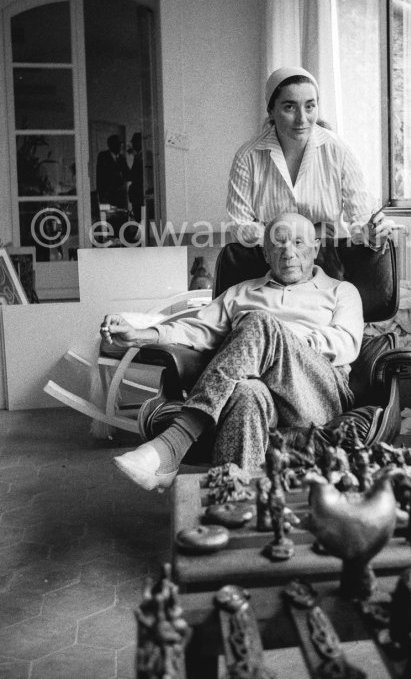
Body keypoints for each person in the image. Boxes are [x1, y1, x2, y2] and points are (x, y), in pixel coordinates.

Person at [100, 212, 364, 490]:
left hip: (318, 395)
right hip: (262, 395)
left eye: (299, 243)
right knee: (246, 392)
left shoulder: (341, 291)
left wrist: (280, 342)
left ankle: (173, 443)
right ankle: (235, 497)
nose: (289, 252)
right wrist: (140, 335)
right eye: (279, 244)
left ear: (316, 247)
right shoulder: (239, 293)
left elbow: (346, 342)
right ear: (265, 253)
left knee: (259, 323)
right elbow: (196, 330)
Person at [226, 66, 393, 247]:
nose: (302, 119)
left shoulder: (339, 151)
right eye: (289, 107)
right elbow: (239, 228)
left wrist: (372, 233)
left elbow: (361, 219)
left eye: (310, 106)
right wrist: (306, 231)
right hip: (270, 261)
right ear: (271, 110)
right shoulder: (247, 157)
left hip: (330, 260)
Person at [96, 134, 130, 209]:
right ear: (110, 145)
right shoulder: (103, 156)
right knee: (108, 218)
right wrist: (101, 196)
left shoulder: (122, 158)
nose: (121, 146)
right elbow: (100, 176)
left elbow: (128, 175)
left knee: (122, 217)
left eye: (121, 144)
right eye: (118, 143)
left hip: (120, 196)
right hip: (107, 196)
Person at [127, 132, 144, 218]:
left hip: (140, 196)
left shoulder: (143, 155)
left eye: (134, 142)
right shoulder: (138, 156)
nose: (133, 145)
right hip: (136, 196)